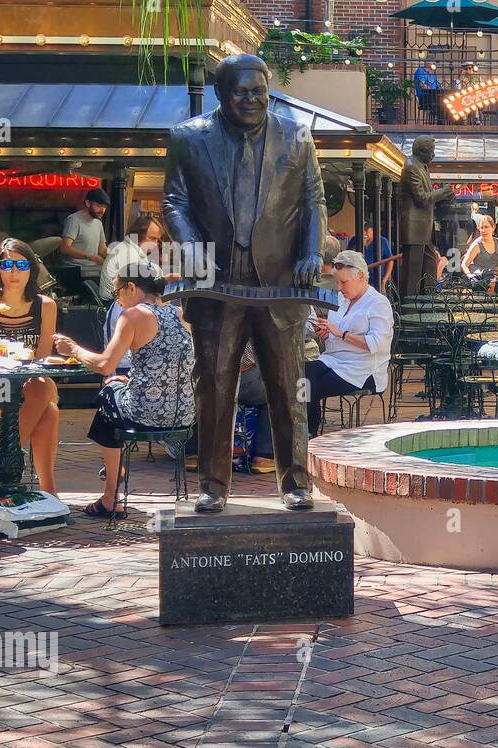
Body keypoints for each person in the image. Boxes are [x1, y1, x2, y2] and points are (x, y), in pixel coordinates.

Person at [162, 52, 327, 513]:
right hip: (217, 287)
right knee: (214, 387)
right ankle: (213, 486)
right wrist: (190, 245)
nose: (252, 99)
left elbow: (314, 200)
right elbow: (173, 201)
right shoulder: (187, 138)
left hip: (279, 288)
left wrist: (312, 251)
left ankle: (296, 482)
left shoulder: (296, 136)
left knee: (288, 386)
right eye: (242, 91)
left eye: (259, 91)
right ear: (221, 93)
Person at [53, 261, 193, 519]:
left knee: (107, 393)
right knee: (115, 388)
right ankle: (113, 478)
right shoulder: (180, 314)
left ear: (131, 287)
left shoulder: (134, 315)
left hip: (146, 413)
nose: (117, 301)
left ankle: (111, 493)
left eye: (117, 293)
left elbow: (105, 364)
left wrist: (73, 348)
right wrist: (129, 383)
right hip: (182, 414)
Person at [0, 239, 61, 495]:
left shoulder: (45, 306)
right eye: (7, 264)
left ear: (32, 268)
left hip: (31, 385)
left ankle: (6, 462)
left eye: (21, 264)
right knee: (48, 408)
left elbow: (41, 361)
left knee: (42, 389)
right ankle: (47, 491)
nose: (14, 271)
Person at [304, 251, 394, 436]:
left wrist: (342, 334)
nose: (339, 288)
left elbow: (377, 344)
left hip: (363, 368)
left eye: (343, 282)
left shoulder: (378, 303)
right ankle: (305, 429)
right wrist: (325, 334)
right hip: (334, 360)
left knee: (308, 386)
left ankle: (307, 431)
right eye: (337, 282)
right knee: (302, 373)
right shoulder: (341, 300)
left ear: (360, 276)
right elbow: (334, 339)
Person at [101, 215, 164, 374]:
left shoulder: (133, 253)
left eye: (158, 240)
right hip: (119, 308)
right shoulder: (127, 255)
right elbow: (140, 294)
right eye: (152, 238)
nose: (155, 244)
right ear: (138, 234)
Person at [398, 136, 455, 300]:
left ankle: (428, 302)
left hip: (424, 230)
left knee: (429, 268)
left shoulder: (421, 166)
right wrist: (442, 192)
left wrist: (443, 196)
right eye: (432, 152)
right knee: (412, 274)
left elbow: (427, 198)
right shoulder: (411, 167)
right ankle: (409, 309)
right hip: (414, 229)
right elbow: (421, 198)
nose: (434, 155)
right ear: (422, 152)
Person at [59, 187, 110, 278]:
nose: (102, 210)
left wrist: (115, 259)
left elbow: (102, 249)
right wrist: (90, 257)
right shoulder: (74, 220)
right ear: (87, 203)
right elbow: (65, 248)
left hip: (91, 269)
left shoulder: (98, 223)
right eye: (98, 206)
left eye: (104, 207)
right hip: (73, 269)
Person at [461, 214, 498, 281]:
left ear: (493, 227)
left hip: (495, 278)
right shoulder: (476, 245)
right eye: (481, 228)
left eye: (486, 227)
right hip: (481, 281)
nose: (483, 230)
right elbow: (464, 264)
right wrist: (471, 277)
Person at [362, 223, 393, 289]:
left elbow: (390, 260)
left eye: (366, 230)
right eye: (363, 230)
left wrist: (385, 279)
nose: (364, 233)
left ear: (373, 230)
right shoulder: (354, 240)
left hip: (377, 279)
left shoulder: (382, 241)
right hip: (359, 278)